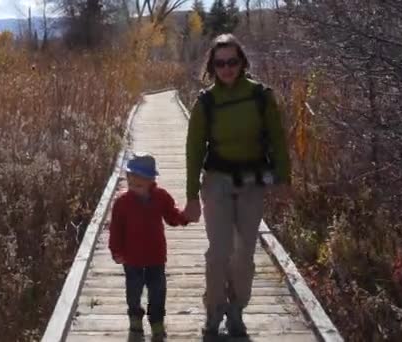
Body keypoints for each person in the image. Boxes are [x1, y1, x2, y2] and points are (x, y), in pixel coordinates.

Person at [182, 33, 291, 338]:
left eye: (232, 61)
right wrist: (191, 197)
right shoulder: (206, 102)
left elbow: (278, 141)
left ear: (242, 62)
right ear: (212, 67)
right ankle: (214, 310)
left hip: (251, 184)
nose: (227, 68)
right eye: (220, 63)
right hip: (216, 182)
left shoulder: (260, 96)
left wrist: (284, 178)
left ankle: (236, 311)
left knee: (243, 254)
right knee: (219, 253)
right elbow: (193, 152)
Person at [108, 152, 189, 341]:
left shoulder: (161, 197)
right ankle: (135, 321)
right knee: (133, 290)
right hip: (132, 257)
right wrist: (116, 251)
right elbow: (116, 229)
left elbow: (171, 215)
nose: (134, 188)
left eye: (139, 185)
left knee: (158, 291)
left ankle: (157, 322)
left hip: (156, 256)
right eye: (131, 184)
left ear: (151, 181)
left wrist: (184, 217)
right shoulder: (122, 203)